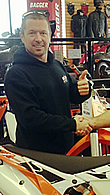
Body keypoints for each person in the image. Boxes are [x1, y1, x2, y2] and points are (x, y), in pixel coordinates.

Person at [4, 11, 92, 154]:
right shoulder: (16, 74)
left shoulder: (56, 65)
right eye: (32, 33)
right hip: (38, 156)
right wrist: (72, 124)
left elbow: (72, 94)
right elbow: (31, 118)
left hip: (65, 149)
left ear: (50, 36)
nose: (38, 39)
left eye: (43, 33)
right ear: (22, 37)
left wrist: (83, 89)